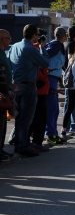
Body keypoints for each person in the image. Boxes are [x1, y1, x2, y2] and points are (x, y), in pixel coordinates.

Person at [8, 24, 49, 157]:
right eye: (37, 34)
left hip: (17, 84)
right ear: (33, 36)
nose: (38, 37)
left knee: (19, 117)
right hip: (29, 85)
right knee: (26, 118)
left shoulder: (15, 46)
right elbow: (45, 63)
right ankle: (23, 145)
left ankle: (19, 142)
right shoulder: (31, 48)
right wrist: (42, 48)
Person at [45, 26, 67, 145]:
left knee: (54, 109)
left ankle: (52, 133)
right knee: (52, 109)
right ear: (63, 36)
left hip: (53, 78)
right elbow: (45, 57)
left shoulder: (54, 44)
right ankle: (51, 134)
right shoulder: (56, 45)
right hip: (50, 78)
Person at [0, 29, 13, 163]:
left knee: (3, 122)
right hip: (2, 92)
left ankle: (1, 149)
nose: (10, 40)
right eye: (8, 38)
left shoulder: (3, 52)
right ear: (2, 39)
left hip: (6, 90)